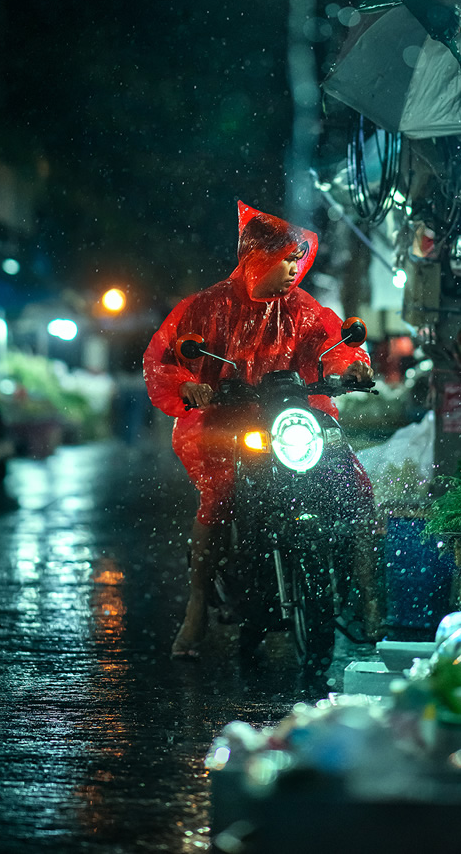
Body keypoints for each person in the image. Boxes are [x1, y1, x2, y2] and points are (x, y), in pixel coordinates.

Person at [143, 200, 378, 659]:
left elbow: (334, 346)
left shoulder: (305, 309)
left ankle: (370, 599)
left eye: (296, 259)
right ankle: (196, 609)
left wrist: (353, 368)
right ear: (257, 258)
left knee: (353, 489)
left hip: (295, 421)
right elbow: (164, 360)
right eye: (284, 259)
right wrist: (190, 386)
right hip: (228, 424)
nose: (293, 268)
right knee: (218, 497)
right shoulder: (205, 308)